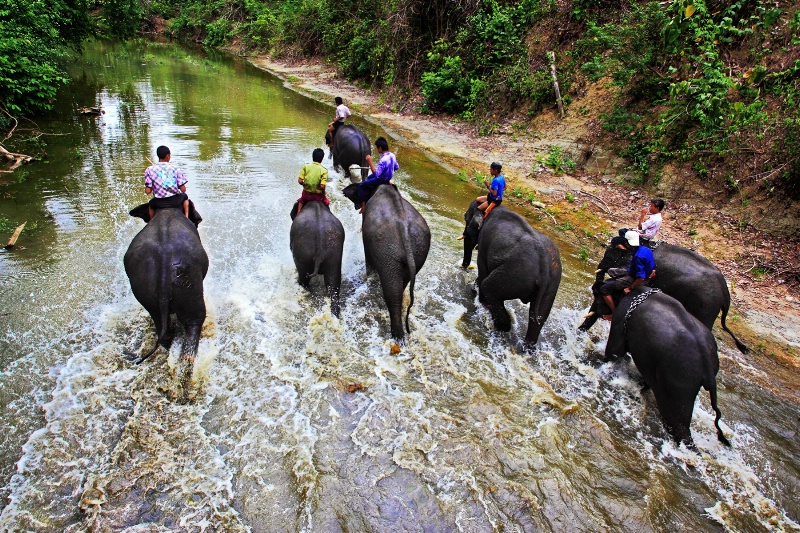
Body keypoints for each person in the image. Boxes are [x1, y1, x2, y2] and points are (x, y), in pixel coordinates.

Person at [599, 230, 656, 320]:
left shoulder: (637, 256)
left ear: (627, 243)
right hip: (633, 271)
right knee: (611, 271)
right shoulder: (646, 249)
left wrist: (630, 288)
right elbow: (651, 263)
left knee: (604, 288)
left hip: (635, 278)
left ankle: (614, 314)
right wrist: (653, 270)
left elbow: (641, 277)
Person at [457, 162, 505, 240]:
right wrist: (499, 193)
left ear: (495, 170)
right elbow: (505, 187)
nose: (490, 171)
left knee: (478, 209)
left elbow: (494, 192)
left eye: (491, 170)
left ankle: (479, 226)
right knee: (478, 199)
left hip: (493, 201)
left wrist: (487, 185)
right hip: (492, 197)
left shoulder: (496, 180)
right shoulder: (502, 177)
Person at [144, 145, 189, 221]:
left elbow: (148, 192)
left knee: (151, 205)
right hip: (175, 201)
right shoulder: (175, 168)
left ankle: (151, 222)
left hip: (158, 202)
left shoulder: (150, 170)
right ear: (168, 156)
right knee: (185, 197)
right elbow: (183, 190)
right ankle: (187, 217)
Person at [355, 137, 399, 213]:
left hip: (381, 179)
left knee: (362, 185)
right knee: (368, 178)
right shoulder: (392, 155)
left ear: (380, 148)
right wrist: (388, 174)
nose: (377, 149)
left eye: (377, 148)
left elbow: (376, 174)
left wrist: (370, 162)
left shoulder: (383, 160)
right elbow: (396, 167)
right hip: (387, 178)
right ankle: (387, 181)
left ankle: (363, 205)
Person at [296, 148, 329, 216]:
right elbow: (322, 186)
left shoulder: (305, 166)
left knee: (301, 201)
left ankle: (298, 214)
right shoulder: (324, 170)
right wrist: (323, 192)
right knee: (327, 204)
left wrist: (304, 184)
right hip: (318, 197)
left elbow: (300, 181)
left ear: (312, 156)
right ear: (322, 159)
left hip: (306, 196)